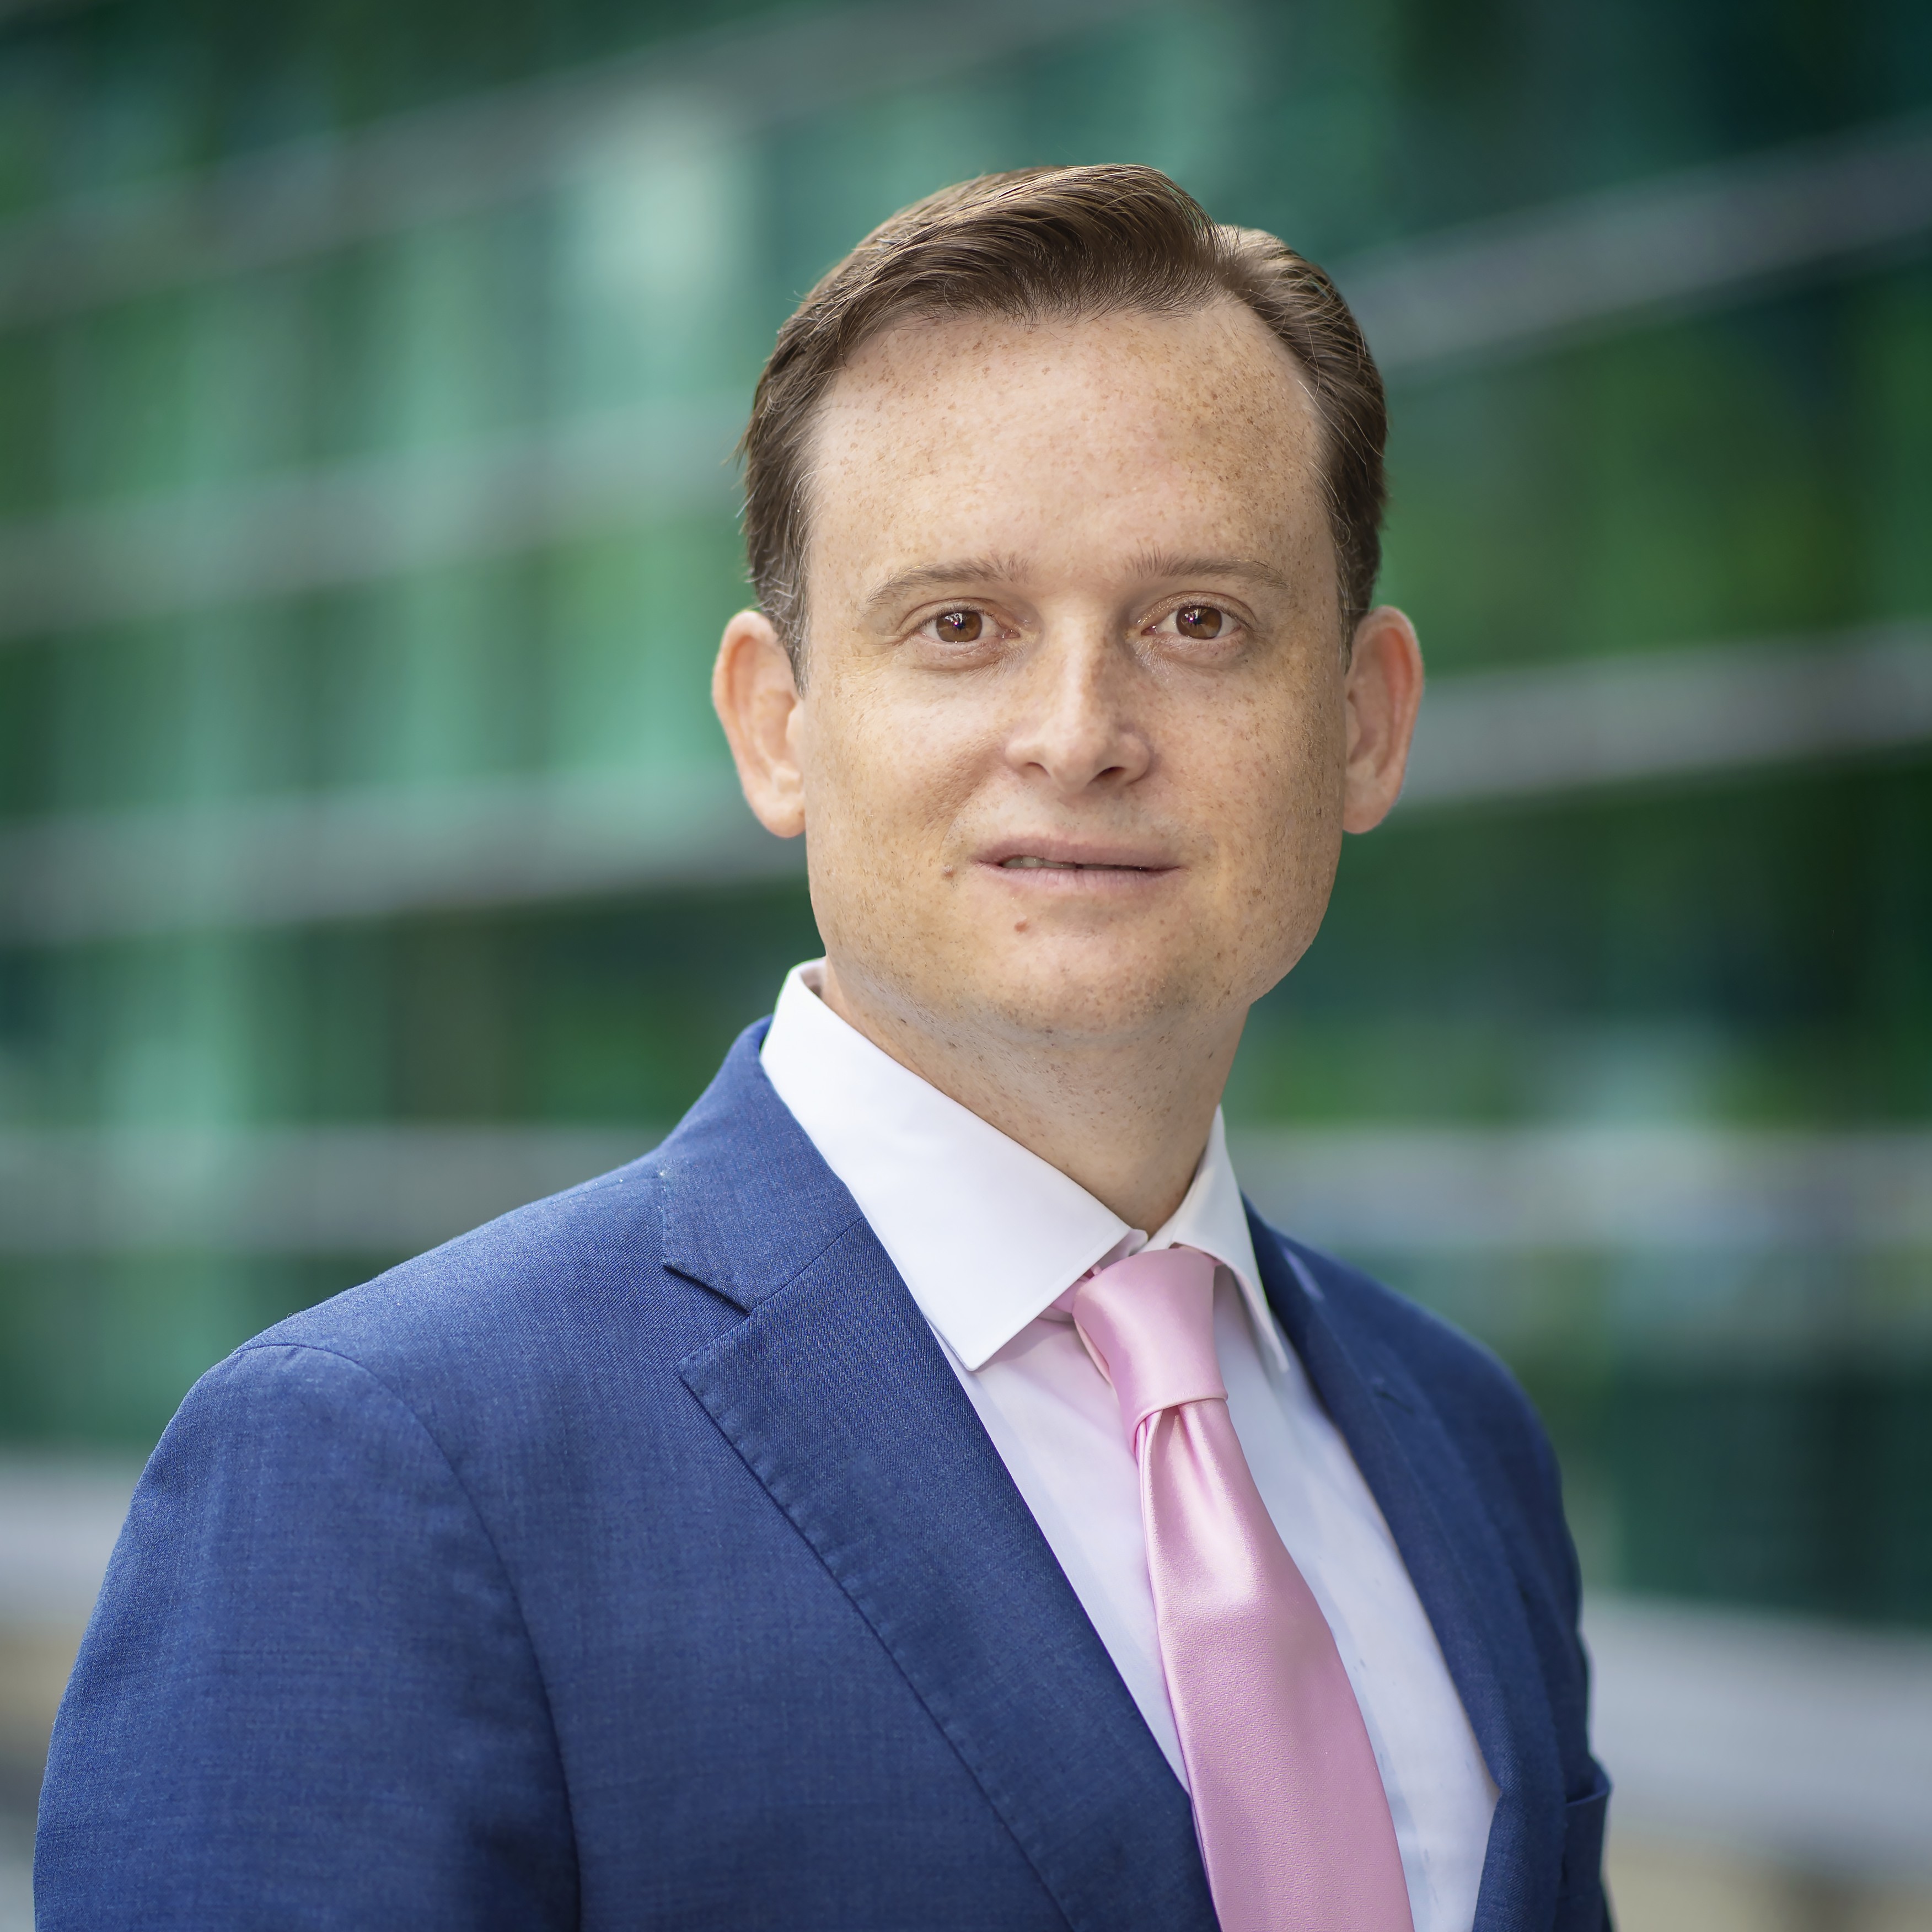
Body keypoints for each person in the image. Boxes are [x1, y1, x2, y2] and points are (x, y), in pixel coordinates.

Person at [36, 167, 1609, 1932]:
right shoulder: (377, 1470)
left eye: (1199, 623)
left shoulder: (1460, 1438)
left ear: (1365, 724)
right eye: (960, 626)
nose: (1079, 733)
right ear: (776, 725)